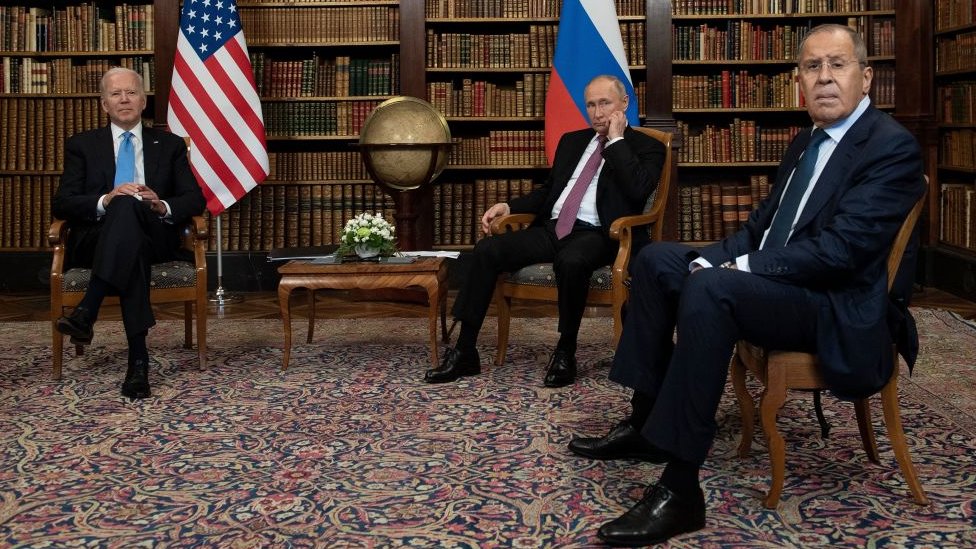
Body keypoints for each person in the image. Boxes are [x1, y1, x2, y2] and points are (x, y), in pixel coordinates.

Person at [568, 24, 927, 546]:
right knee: (657, 261)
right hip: (787, 283)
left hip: (833, 303)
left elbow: (841, 253)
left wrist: (731, 272)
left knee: (712, 290)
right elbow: (762, 228)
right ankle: (646, 425)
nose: (824, 78)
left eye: (838, 64)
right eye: (811, 67)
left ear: (865, 77)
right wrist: (708, 259)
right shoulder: (806, 140)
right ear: (799, 80)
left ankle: (681, 488)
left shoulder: (891, 148)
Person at [424, 74, 666, 387]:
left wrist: (617, 141)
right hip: (553, 228)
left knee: (572, 261)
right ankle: (464, 350)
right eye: (590, 104)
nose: (597, 112)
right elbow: (550, 191)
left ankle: (565, 351)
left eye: (605, 103)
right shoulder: (573, 141)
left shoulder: (647, 147)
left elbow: (638, 190)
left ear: (624, 104)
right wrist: (509, 206)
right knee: (487, 250)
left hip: (601, 234)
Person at [53, 67, 206, 400]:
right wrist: (105, 200)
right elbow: (62, 202)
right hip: (97, 238)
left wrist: (160, 204)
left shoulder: (169, 145)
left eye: (131, 92)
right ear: (104, 103)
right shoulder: (82, 145)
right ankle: (139, 361)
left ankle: (86, 310)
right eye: (115, 93)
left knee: (131, 215)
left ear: (144, 100)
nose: (124, 99)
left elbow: (195, 199)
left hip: (155, 237)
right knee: (122, 208)